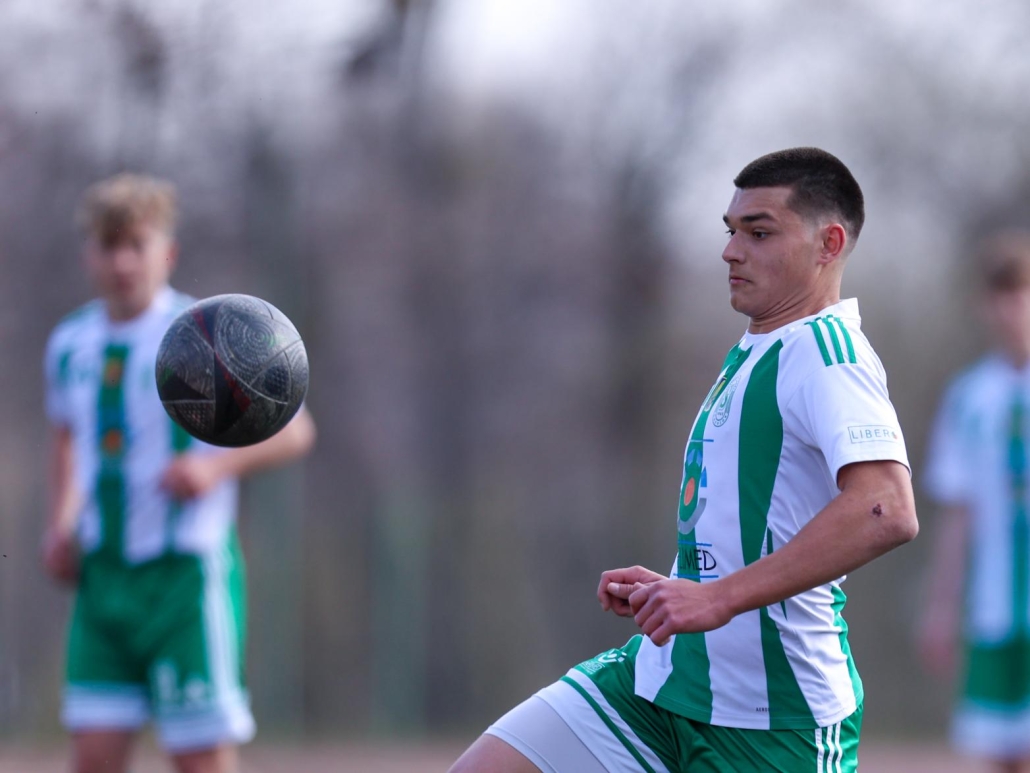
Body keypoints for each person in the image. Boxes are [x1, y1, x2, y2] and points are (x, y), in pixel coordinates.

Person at [450, 147, 918, 773]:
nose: (731, 251)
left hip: (771, 720)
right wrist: (685, 584)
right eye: (731, 231)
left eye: (759, 233)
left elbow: (885, 510)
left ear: (828, 244)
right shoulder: (759, 349)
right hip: (659, 684)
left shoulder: (829, 356)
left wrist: (718, 597)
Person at [41, 173, 317, 773]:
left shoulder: (208, 333)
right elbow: (66, 438)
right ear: (89, 254)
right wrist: (60, 524)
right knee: (92, 759)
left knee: (200, 760)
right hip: (103, 580)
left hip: (184, 580)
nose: (122, 262)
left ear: (167, 252)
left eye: (135, 245)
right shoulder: (69, 344)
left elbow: (297, 431)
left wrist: (214, 468)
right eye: (108, 245)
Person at [918, 230, 1030, 773]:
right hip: (995, 604)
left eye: (1020, 294)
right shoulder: (968, 397)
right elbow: (956, 513)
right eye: (1000, 296)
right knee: (1001, 749)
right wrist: (941, 607)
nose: (1010, 311)